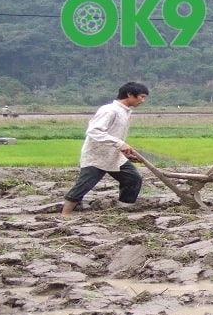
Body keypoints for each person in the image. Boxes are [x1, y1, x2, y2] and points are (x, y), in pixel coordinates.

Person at [61, 82, 149, 217]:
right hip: (97, 155)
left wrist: (124, 151)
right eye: (141, 97)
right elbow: (94, 131)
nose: (142, 101)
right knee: (84, 184)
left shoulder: (124, 112)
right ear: (130, 94)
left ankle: (123, 208)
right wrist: (120, 144)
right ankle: (65, 214)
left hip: (113, 155)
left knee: (133, 179)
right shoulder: (109, 110)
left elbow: (114, 134)